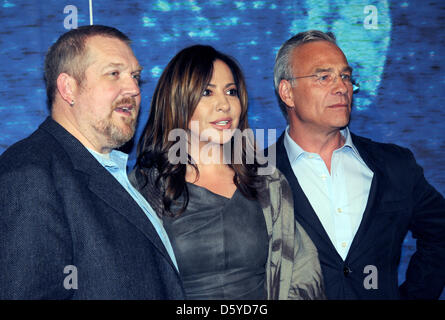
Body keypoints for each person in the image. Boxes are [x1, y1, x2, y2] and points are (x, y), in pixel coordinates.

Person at [0, 25, 184, 299]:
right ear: (68, 88)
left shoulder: (114, 172)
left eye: (135, 76)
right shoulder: (29, 174)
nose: (134, 88)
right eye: (114, 74)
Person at [129, 44, 325, 300]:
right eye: (207, 93)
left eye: (231, 92)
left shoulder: (268, 183)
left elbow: (302, 270)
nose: (224, 104)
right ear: (177, 101)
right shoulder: (145, 189)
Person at [272, 30, 445, 299]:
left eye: (345, 76)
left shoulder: (395, 165)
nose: (342, 87)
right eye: (323, 77)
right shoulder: (253, 175)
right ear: (287, 92)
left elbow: (440, 231)